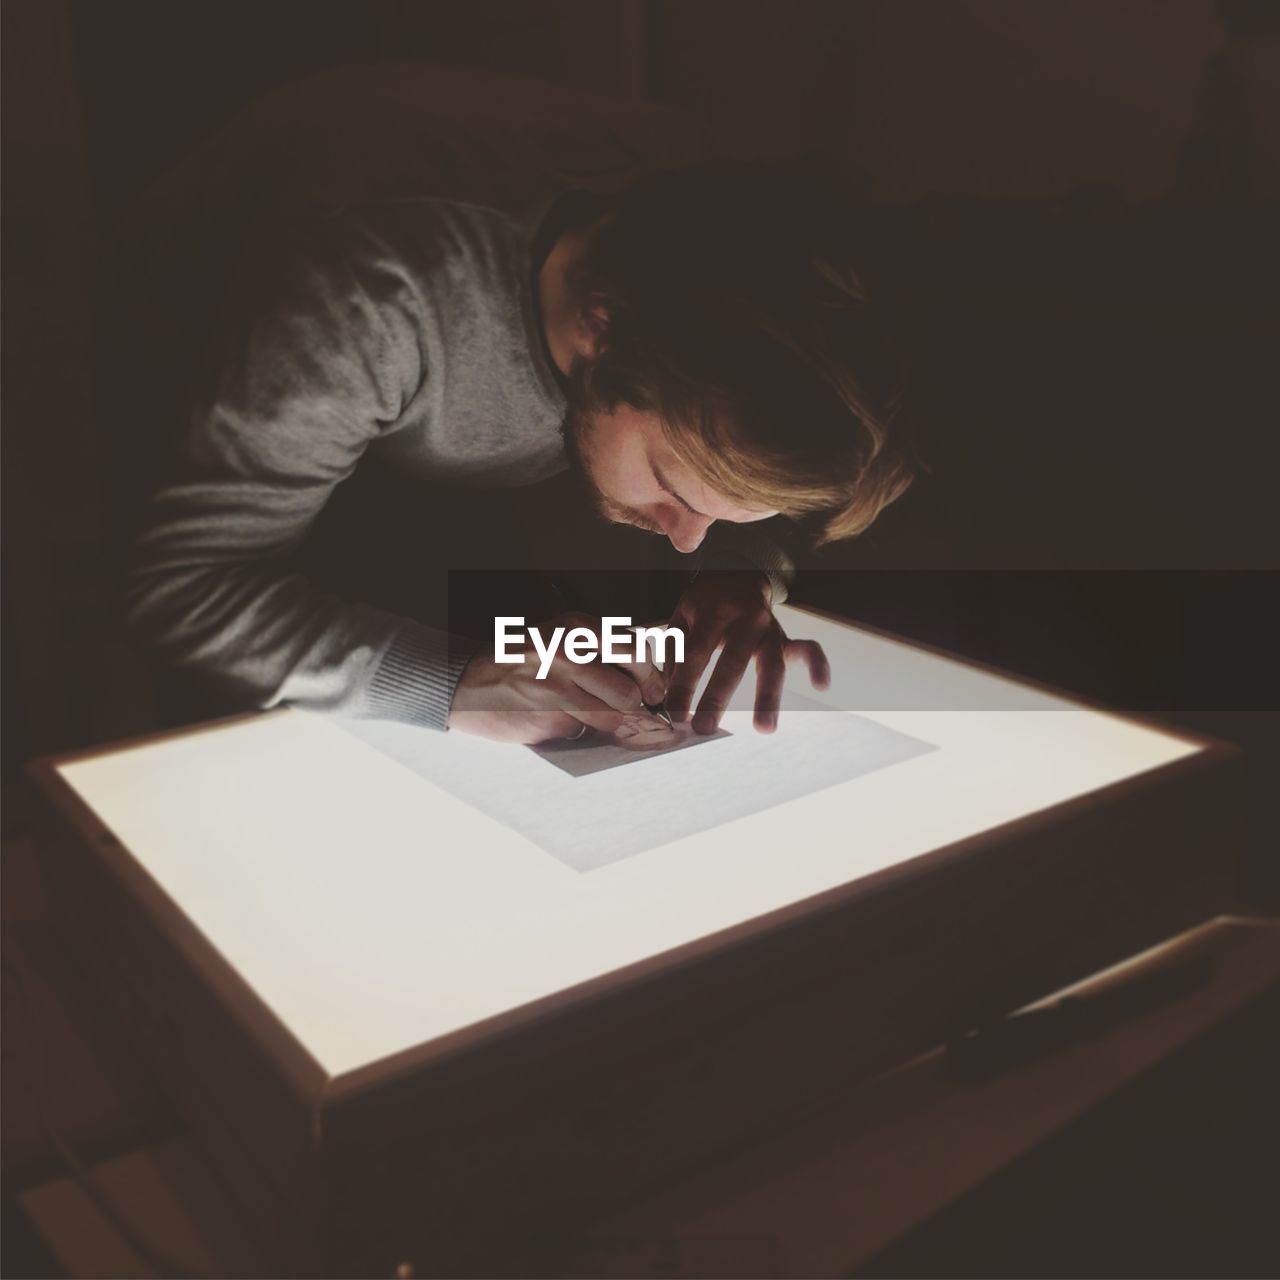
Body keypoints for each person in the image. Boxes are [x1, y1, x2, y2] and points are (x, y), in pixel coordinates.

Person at [121, 78, 914, 748]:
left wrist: (742, 573)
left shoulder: (741, 245)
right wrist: (453, 686)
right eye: (676, 484)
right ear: (598, 329)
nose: (686, 539)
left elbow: (770, 442)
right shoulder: (366, 303)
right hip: (167, 317)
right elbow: (185, 588)